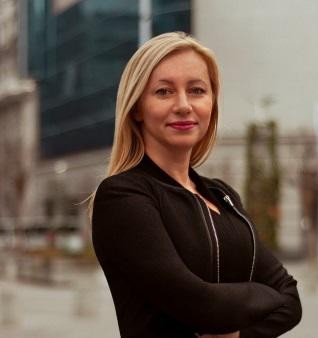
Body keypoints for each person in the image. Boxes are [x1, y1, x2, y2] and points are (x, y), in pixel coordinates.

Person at [91, 32, 302, 338]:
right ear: (137, 107)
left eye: (197, 90)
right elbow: (199, 305)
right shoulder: (123, 196)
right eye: (164, 92)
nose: (183, 105)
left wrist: (241, 335)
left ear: (212, 102)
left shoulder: (222, 195)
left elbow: (292, 301)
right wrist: (264, 295)